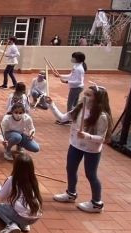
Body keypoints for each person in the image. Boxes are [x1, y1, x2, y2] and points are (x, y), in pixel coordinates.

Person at [45, 85, 113, 213]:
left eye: (89, 95)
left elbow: (102, 138)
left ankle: (97, 203)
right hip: (75, 144)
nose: (85, 96)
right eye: (85, 94)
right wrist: (51, 105)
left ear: (97, 99)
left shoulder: (102, 116)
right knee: (70, 168)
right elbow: (62, 118)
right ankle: (71, 193)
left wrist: (87, 136)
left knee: (91, 174)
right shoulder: (80, 108)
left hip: (92, 149)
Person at [0, 153, 42, 233]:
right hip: (35, 217)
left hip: (21, 216)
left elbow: (1, 196)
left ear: (16, 167)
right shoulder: (33, 179)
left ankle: (12, 224)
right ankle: (24, 225)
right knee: (20, 207)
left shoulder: (12, 179)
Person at [53, 52, 87, 124]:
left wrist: (66, 82)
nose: (72, 58)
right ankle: (72, 118)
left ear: (77, 59)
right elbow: (71, 75)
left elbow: (78, 81)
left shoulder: (79, 69)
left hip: (76, 88)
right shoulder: (76, 67)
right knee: (74, 104)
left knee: (70, 104)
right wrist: (60, 76)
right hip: (76, 87)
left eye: (73, 57)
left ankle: (67, 119)